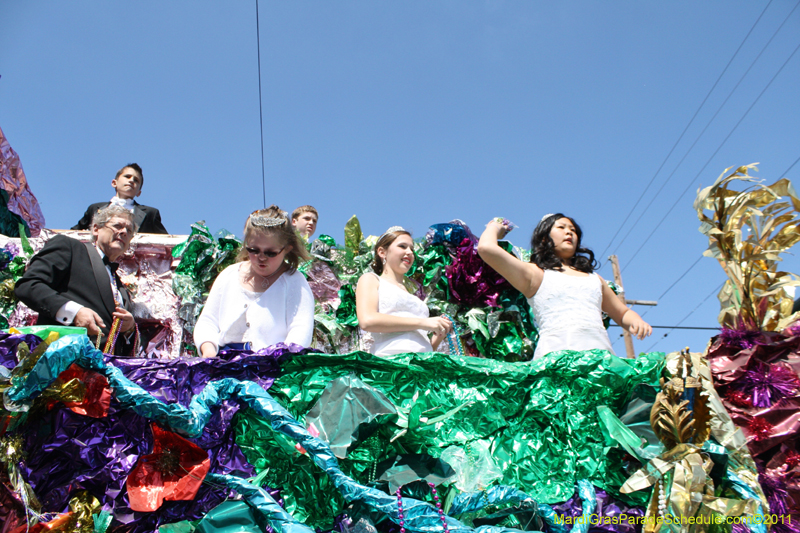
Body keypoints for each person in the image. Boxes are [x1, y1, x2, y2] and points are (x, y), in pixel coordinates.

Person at [477, 214, 652, 359]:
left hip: (601, 363)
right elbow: (486, 248)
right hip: (555, 362)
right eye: (561, 227)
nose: (569, 232)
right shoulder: (536, 274)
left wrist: (636, 320)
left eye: (573, 230)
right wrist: (494, 226)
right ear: (544, 238)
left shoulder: (594, 279)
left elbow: (622, 313)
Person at [16, 205, 139, 355]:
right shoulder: (70, 248)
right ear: (96, 229)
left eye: (129, 230)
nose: (124, 232)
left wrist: (129, 329)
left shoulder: (120, 286)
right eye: (117, 226)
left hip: (104, 372)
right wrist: (74, 312)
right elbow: (28, 286)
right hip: (63, 364)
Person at [194, 206, 315, 357]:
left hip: (272, 367)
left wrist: (280, 361)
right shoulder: (229, 275)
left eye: (270, 252)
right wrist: (208, 350)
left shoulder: (294, 281)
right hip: (223, 365)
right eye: (254, 250)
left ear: (287, 249)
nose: (261, 257)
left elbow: (300, 330)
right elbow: (208, 321)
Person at [356, 227, 452, 356]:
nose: (410, 252)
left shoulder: (412, 295)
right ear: (382, 252)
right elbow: (367, 320)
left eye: (411, 249)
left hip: (421, 366)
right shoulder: (370, 279)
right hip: (391, 364)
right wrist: (424, 323)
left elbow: (417, 344)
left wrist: (438, 335)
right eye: (402, 246)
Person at [73, 163, 168, 234]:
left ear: (139, 192)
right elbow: (73, 233)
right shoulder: (95, 209)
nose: (131, 180)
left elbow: (166, 241)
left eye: (136, 180)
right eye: (127, 176)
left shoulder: (150, 214)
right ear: (114, 183)